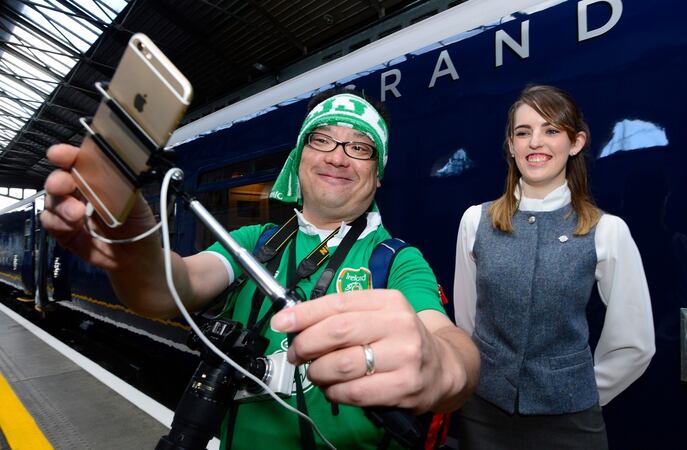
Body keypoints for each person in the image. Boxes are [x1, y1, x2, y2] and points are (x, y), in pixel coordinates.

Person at [41, 89, 480, 449]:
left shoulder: (397, 260)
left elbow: (449, 344)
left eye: (360, 147)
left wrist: (444, 367)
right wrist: (130, 246)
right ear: (300, 156)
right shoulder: (254, 242)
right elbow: (170, 287)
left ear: (378, 172)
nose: (338, 156)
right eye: (322, 139)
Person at [453, 85, 655, 449]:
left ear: (575, 142)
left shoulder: (607, 230)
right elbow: (467, 323)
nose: (535, 142)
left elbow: (634, 342)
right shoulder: (474, 221)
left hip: (571, 423)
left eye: (551, 130)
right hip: (483, 414)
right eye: (523, 132)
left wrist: (581, 394)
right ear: (511, 146)